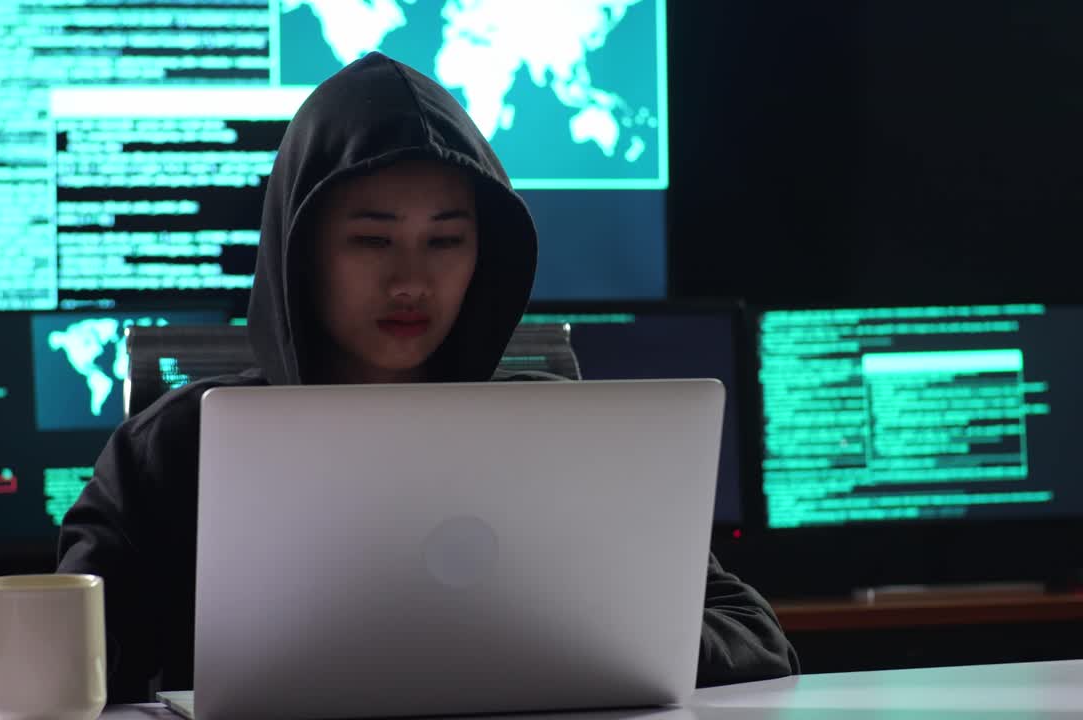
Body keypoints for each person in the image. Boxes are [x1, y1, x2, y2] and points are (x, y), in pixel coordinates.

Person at [57, 51, 799, 704]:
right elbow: (36, 675)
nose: (411, 280)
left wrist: (602, 643)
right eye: (372, 240)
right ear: (301, 252)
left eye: (446, 240)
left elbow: (754, 638)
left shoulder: (567, 437)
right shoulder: (166, 451)